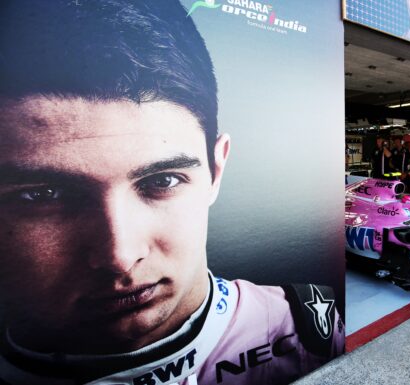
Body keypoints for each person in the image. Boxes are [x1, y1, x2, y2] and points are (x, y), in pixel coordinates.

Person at [0, 1, 343, 384]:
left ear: (216, 171)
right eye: (44, 195)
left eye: (161, 181)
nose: (120, 256)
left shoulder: (308, 327)